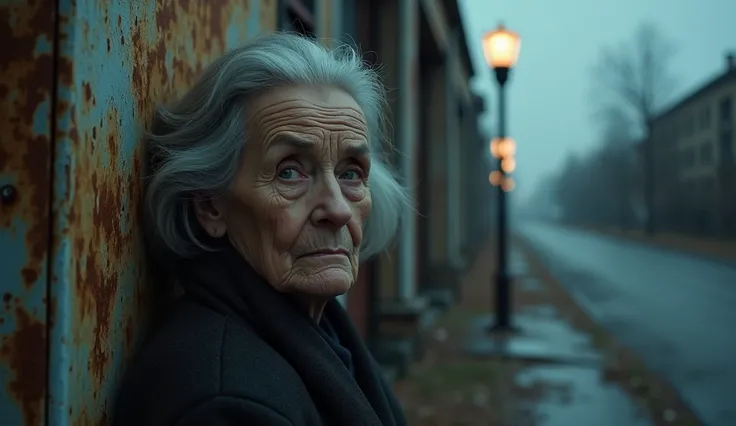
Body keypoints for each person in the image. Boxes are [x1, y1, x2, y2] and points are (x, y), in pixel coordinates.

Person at [113, 32, 410, 426]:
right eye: (290, 172)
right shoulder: (224, 404)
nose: (337, 209)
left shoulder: (319, 329)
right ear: (211, 205)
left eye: (351, 173)